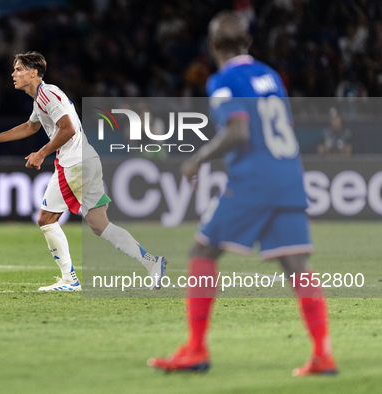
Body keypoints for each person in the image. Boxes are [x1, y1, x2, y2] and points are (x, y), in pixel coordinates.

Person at [147, 12, 337, 376]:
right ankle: (323, 353)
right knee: (296, 264)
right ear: (248, 43)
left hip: (255, 180)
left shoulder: (224, 80)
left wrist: (198, 159)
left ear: (213, 45)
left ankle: (196, 350)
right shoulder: (271, 75)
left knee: (202, 250)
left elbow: (238, 132)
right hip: (288, 174)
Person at [0, 51, 167, 292]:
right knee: (100, 225)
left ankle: (69, 280)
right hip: (86, 160)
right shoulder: (41, 98)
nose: (13, 74)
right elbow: (30, 126)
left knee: (46, 219)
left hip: (74, 164)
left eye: (18, 69)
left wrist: (41, 153)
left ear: (33, 73)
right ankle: (152, 263)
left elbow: (67, 129)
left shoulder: (48, 95)